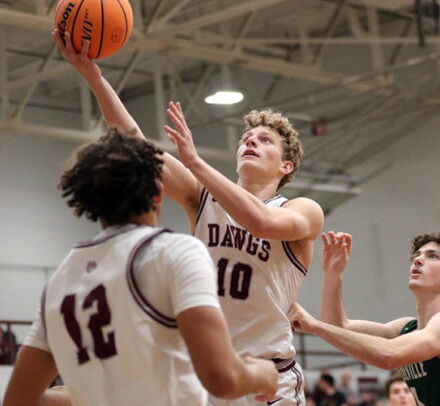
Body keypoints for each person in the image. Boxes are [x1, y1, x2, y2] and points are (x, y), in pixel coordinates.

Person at [52, 29, 324, 406]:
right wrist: (94, 78)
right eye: (247, 138)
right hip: (206, 372)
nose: (251, 141)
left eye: (265, 140)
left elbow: (261, 223)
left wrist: (194, 162)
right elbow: (137, 147)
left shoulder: (302, 210)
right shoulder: (203, 195)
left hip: (268, 377)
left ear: (286, 166)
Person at [3, 129, 278, 406]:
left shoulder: (61, 278)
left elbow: (17, 401)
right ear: (158, 193)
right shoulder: (174, 252)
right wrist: (261, 374)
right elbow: (220, 378)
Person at [289, 231, 440, 406]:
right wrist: (332, 274)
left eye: (433, 256)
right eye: (417, 255)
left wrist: (314, 326)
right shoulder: (405, 328)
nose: (418, 260)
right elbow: (336, 327)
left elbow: (389, 355)